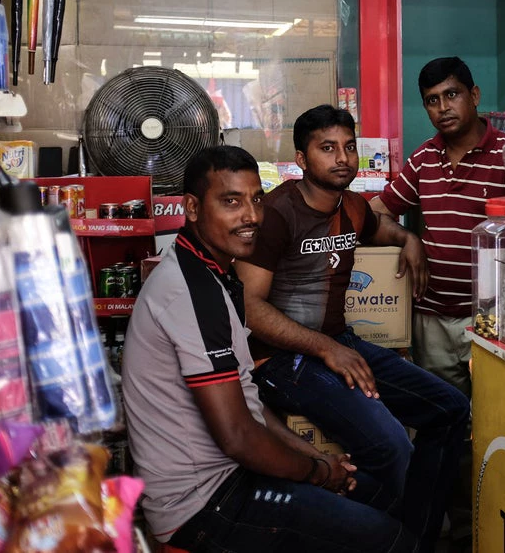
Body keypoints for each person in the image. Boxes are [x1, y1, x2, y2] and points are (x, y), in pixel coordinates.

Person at [122, 145, 415, 552]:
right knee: (394, 540)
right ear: (191, 207)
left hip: (230, 478)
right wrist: (316, 472)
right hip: (204, 506)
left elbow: (248, 405)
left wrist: (313, 458)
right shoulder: (191, 292)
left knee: (378, 495)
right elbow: (238, 437)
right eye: (231, 202)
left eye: (256, 199)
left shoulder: (212, 274)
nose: (252, 216)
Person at [234, 105, 470, 553]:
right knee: (395, 447)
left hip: (337, 344)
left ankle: (413, 536)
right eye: (327, 148)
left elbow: (383, 228)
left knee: (451, 408)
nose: (342, 157)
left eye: (349, 146)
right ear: (302, 159)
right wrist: (326, 347)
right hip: (280, 360)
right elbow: (249, 307)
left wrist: (410, 239)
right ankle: (395, 538)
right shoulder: (278, 214)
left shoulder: (353, 208)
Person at [369, 56, 505, 397]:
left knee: (497, 418)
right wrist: (408, 238)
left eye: (452, 95)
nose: (443, 107)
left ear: (474, 95)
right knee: (447, 417)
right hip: (432, 319)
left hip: (494, 318)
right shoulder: (424, 159)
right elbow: (375, 212)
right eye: (432, 100)